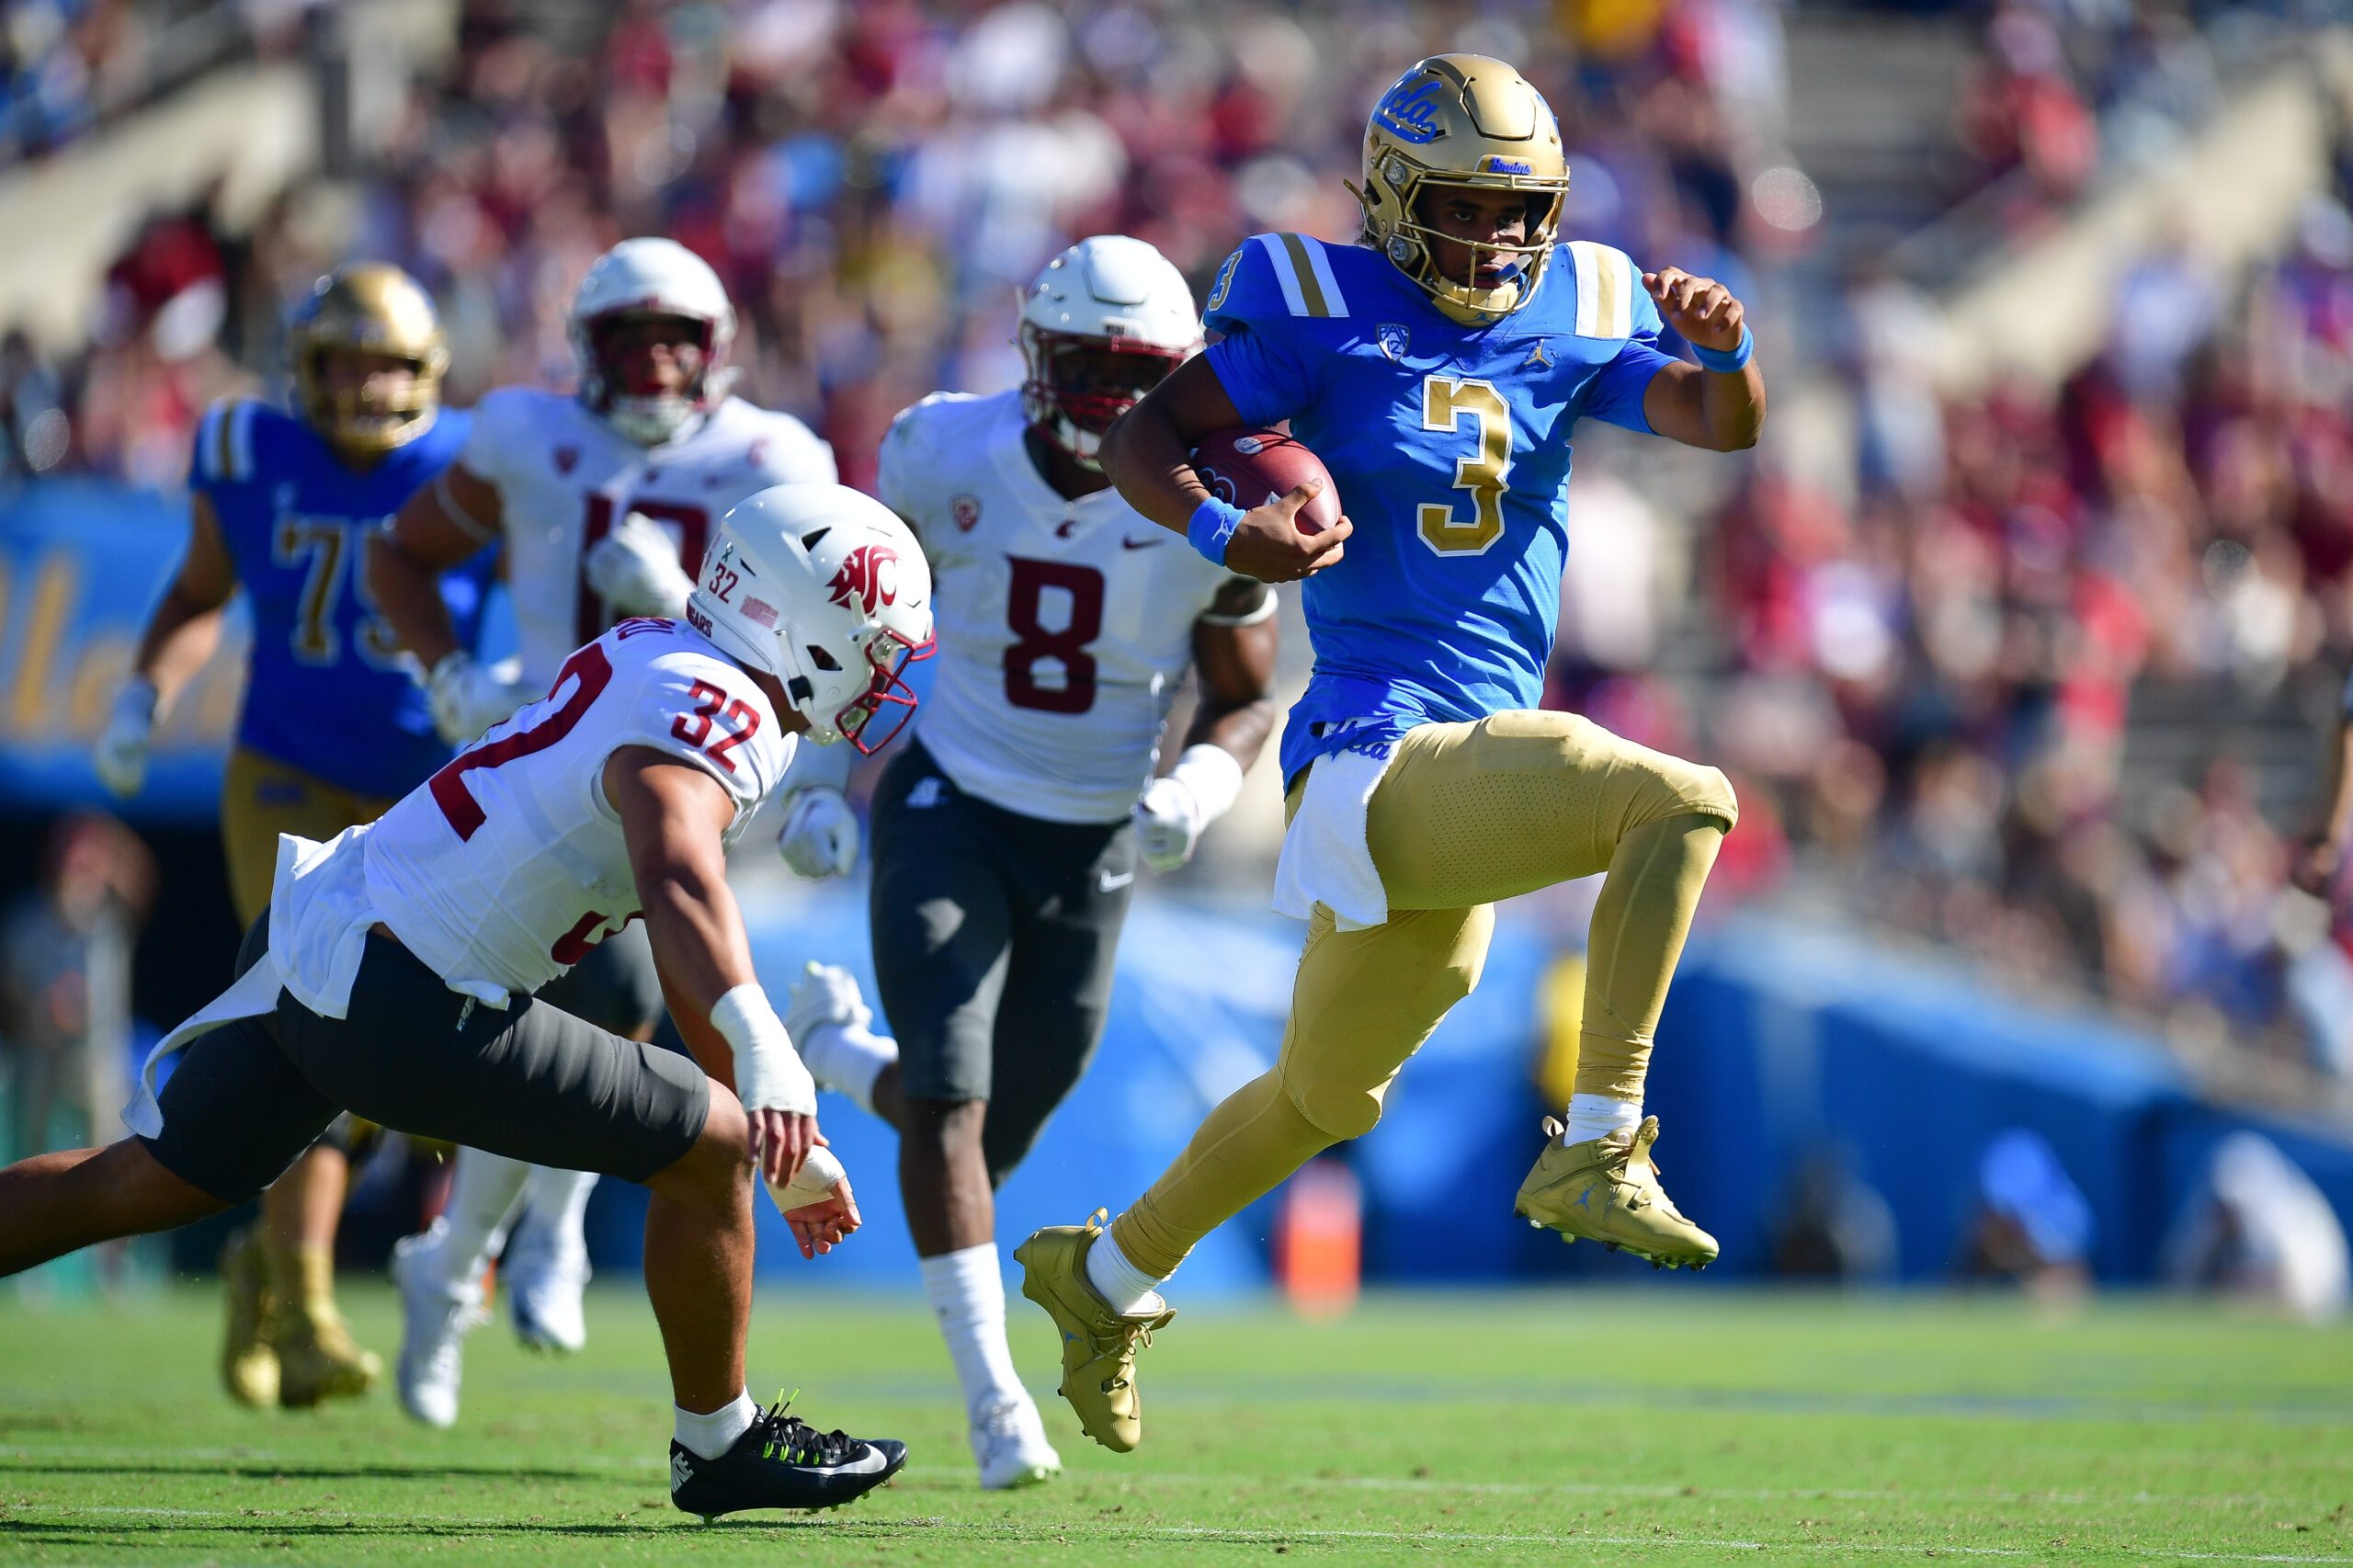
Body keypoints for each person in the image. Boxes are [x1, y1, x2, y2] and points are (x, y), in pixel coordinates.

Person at [1016, 53, 1765, 1452]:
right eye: (1466, 209)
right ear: (1396, 201)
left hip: (1460, 755)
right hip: (1376, 736)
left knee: (1323, 1093)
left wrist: (1728, 354)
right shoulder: (1318, 304)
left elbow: (1713, 426)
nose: (1494, 239)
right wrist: (1227, 532)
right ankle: (1599, 1141)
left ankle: (1102, 1277)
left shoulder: (1579, 302)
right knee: (1680, 800)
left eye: (1515, 209)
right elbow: (1145, 437)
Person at [0, 483, 931, 1519]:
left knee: (134, 1181)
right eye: (875, 640)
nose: (883, 671)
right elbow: (676, 874)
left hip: (328, 928)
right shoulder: (724, 709)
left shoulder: (657, 650)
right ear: (805, 622)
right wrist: (761, 1051)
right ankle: (718, 1445)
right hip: (398, 992)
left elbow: (677, 902)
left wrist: (765, 1100)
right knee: (708, 1143)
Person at [774, 235, 1278, 1489]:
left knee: (995, 1123)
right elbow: (851, 626)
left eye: (1137, 371)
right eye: (1088, 365)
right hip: (952, 800)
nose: (1111, 396)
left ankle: (844, 1062)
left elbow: (1240, 696)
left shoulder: (1212, 496)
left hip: (1098, 834)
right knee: (950, 1100)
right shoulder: (941, 447)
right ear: (1036, 357)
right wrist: (827, 776)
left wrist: (1202, 784)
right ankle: (996, 1403)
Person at [367, 235, 837, 1426]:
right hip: (541, 766)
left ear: (719, 348)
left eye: (678, 338)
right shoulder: (529, 435)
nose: (656, 362)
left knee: (608, 1002)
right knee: (576, 1010)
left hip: (670, 760)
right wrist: (448, 675)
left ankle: (479, 1253)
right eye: (631, 339)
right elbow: (405, 555)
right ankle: (500, 1248)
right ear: (588, 349)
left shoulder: (773, 457)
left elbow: (811, 634)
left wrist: (679, 592)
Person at [90, 262, 488, 1408]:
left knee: (385, 1048)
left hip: (429, 786)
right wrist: (140, 694)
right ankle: (306, 1305)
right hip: (289, 775)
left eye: (388, 364)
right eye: (344, 362)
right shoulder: (250, 452)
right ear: (303, 370)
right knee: (313, 1008)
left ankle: (263, 1262)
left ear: (429, 373)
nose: (366, 386)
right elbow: (197, 591)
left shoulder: (474, 460)